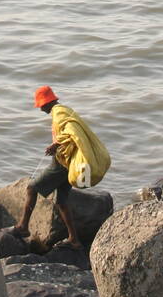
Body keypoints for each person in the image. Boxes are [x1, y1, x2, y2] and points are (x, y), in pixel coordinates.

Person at [13, 85, 111, 249]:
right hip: (70, 162)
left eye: (40, 105)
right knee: (62, 201)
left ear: (45, 103)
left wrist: (56, 144)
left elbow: (73, 133)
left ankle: (23, 227)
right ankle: (74, 239)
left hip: (62, 164)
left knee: (32, 188)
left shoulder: (58, 114)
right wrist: (58, 145)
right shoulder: (64, 109)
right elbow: (73, 133)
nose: (40, 109)